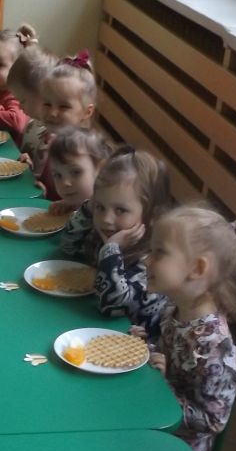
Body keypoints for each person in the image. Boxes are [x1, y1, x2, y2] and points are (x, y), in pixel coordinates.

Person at [144, 203, 236, 451]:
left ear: (197, 269)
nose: (147, 260)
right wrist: (148, 346)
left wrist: (163, 387)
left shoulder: (212, 347)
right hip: (152, 415)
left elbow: (212, 420)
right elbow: (170, 358)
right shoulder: (174, 308)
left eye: (159, 253)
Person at [58, 146, 169, 341]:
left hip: (139, 348)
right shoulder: (101, 235)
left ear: (151, 215)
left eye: (120, 210)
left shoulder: (150, 263)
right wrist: (88, 209)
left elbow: (113, 307)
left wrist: (111, 251)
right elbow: (68, 247)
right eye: (100, 207)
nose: (106, 219)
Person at [38, 55, 98, 199]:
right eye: (47, 104)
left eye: (64, 106)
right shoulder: (55, 139)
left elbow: (82, 200)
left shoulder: (81, 152)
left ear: (87, 112)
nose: (52, 113)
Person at [5, 36, 55, 168]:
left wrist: (32, 171)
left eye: (23, 100)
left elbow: (52, 178)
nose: (20, 107)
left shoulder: (55, 138)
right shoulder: (32, 124)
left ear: (43, 95)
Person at [43, 126, 110, 216]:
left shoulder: (109, 211)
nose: (65, 183)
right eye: (58, 175)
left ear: (100, 169)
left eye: (76, 172)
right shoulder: (85, 199)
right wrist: (70, 204)